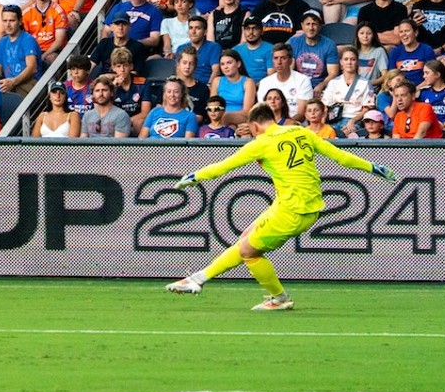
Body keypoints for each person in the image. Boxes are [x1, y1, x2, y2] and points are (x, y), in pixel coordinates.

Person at [167, 102, 397, 309]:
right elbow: (340, 156)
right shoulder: (301, 131)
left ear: (255, 126)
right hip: (300, 204)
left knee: (248, 251)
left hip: (294, 211)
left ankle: (277, 298)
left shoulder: (262, 143)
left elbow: (224, 166)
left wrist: (194, 176)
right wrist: (374, 168)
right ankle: (197, 279)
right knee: (247, 236)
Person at [0, 4, 41, 96]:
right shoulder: (2, 42)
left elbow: (32, 68)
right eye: (5, 21)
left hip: (28, 84)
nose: (8, 25)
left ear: (20, 21)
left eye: (12, 21)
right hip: (8, 84)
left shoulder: (27, 39)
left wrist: (13, 82)